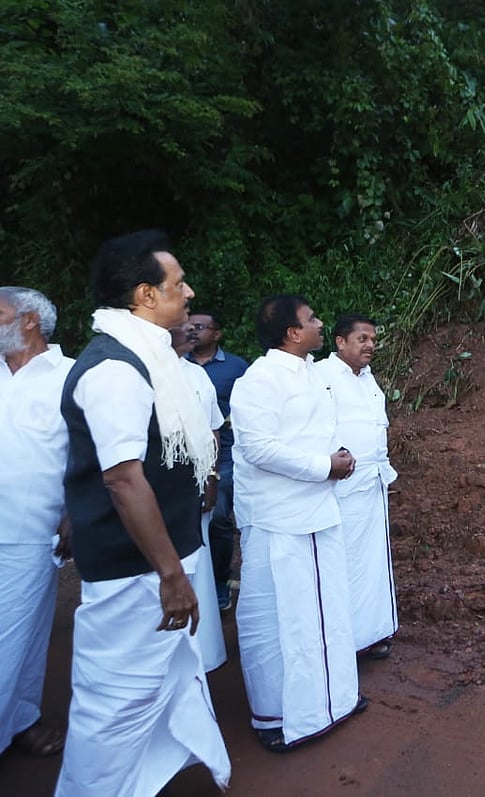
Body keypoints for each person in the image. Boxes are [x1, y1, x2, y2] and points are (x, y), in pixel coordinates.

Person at [55, 230, 231, 795]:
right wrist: (172, 575)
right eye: (178, 284)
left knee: (157, 685)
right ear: (145, 296)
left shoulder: (150, 361)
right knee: (114, 702)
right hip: (134, 572)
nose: (189, 291)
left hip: (152, 565)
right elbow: (122, 478)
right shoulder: (114, 369)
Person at [230, 294, 367, 753]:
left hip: (319, 509)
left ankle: (333, 699)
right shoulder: (259, 379)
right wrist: (325, 465)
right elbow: (259, 449)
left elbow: (317, 433)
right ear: (292, 332)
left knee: (325, 609)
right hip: (277, 517)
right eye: (313, 319)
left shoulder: (313, 374)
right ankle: (275, 716)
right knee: (274, 618)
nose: (321, 323)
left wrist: (339, 456)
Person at [0, 286, 72, 759]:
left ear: (29, 321)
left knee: (17, 635)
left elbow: (89, 451)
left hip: (31, 528)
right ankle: (21, 719)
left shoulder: (70, 376)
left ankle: (17, 719)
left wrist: (75, 513)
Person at [316, 314, 399, 661]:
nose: (370, 346)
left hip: (372, 486)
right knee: (343, 563)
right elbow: (316, 426)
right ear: (340, 342)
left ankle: (372, 633)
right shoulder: (321, 376)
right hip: (340, 489)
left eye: (373, 340)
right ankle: (342, 642)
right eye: (362, 339)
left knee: (374, 565)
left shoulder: (367, 378)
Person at [170, 317, 227, 672]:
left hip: (197, 485)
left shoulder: (197, 375)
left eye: (196, 327)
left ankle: (205, 651)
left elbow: (214, 430)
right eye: (183, 325)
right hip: (162, 494)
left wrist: (211, 477)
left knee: (200, 565)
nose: (191, 330)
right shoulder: (147, 371)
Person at [185, 309, 248, 611]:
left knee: (219, 518)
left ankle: (219, 584)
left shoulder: (236, 367)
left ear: (217, 334)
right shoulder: (174, 365)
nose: (194, 330)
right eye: (190, 326)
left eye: (201, 326)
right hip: (181, 453)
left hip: (223, 454)